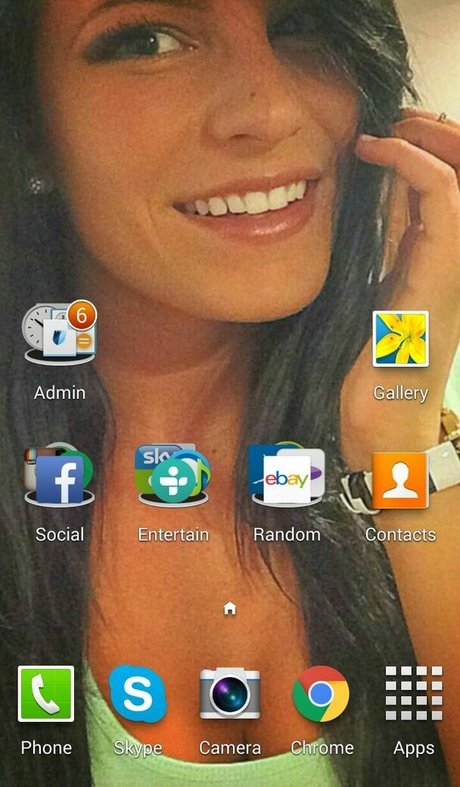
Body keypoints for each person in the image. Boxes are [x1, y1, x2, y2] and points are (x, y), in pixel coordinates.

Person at [0, 1, 459, 785]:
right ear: (30, 126)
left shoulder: (424, 458)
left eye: (300, 23)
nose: (272, 110)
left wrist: (397, 444)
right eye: (147, 40)